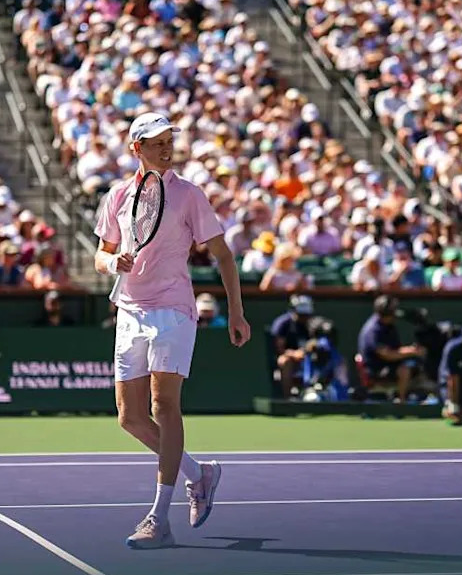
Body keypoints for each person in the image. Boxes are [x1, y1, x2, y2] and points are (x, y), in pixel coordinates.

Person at [94, 111, 251, 549]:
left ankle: (158, 520)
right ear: (136, 148)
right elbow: (101, 253)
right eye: (156, 142)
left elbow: (222, 254)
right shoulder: (118, 196)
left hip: (173, 310)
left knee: (165, 406)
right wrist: (112, 262)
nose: (166, 148)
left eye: (169, 141)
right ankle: (200, 475)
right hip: (129, 310)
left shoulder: (188, 195)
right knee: (130, 417)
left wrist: (236, 312)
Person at [356, 295, 425, 402]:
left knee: (416, 365)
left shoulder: (388, 325)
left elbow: (396, 349)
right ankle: (400, 403)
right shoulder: (373, 330)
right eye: (393, 311)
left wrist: (411, 351)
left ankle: (417, 399)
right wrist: (411, 351)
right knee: (404, 370)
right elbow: (387, 355)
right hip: (376, 369)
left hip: (390, 365)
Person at [269, 294, 314, 397]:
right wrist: (294, 354)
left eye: (306, 315)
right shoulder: (283, 323)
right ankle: (288, 398)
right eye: (301, 315)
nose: (304, 318)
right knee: (285, 362)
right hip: (288, 357)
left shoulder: (311, 324)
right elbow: (279, 349)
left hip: (307, 357)